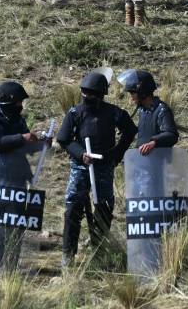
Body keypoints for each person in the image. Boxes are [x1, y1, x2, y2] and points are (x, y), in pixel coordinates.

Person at [56, 71, 138, 266]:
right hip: (80, 168)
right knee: (73, 209)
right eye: (84, 92)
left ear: (101, 95)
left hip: (103, 168)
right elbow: (63, 138)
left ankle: (99, 254)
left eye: (91, 93)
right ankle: (68, 255)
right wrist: (80, 154)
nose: (87, 96)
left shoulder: (113, 113)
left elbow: (130, 130)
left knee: (103, 208)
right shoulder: (75, 113)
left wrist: (116, 154)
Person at [0, 81, 43, 271]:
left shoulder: (17, 119)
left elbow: (26, 148)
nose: (21, 106)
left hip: (18, 176)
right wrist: (22, 138)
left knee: (18, 222)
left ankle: (12, 265)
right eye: (18, 102)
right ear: (9, 102)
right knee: (2, 223)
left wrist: (41, 143)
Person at [120, 69, 178, 154]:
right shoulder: (142, 110)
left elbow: (171, 135)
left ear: (142, 92)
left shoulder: (162, 110)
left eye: (133, 93)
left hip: (159, 160)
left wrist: (154, 142)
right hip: (144, 160)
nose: (131, 98)